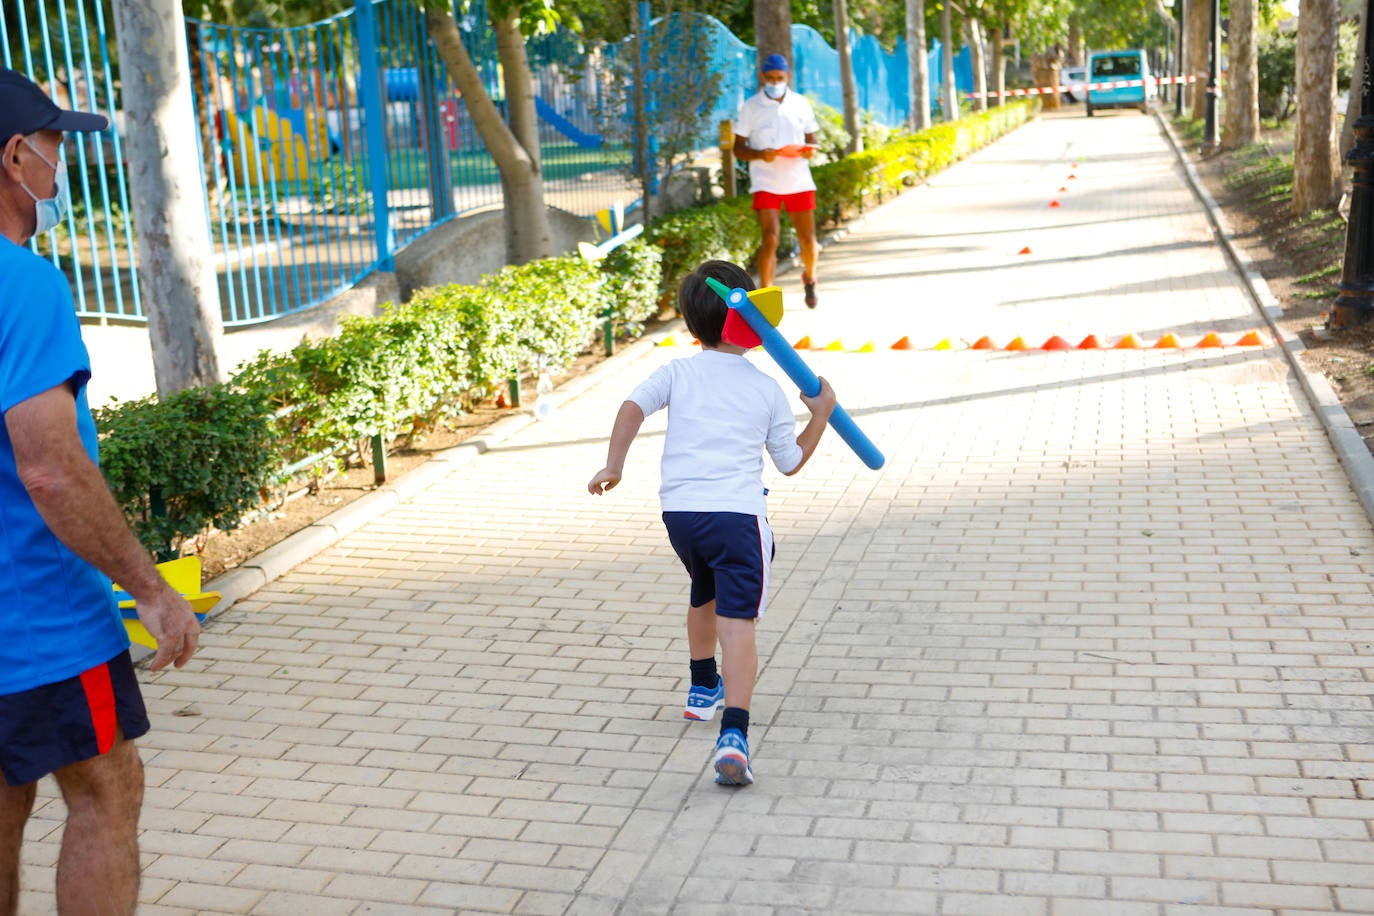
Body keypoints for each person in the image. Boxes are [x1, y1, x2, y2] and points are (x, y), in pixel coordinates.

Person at [0, 68, 201, 914]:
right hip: (38, 623)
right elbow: (48, 467)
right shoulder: (23, 283)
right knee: (106, 790)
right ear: (15, 156)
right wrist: (152, 589)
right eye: (52, 143)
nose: (57, 161)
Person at [587, 260, 836, 785]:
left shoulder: (676, 372)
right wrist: (821, 413)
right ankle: (735, 735)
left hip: (681, 515)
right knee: (737, 621)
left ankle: (703, 685)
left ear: (691, 322)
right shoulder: (767, 388)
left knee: (704, 591)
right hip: (738, 517)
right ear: (752, 320)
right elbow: (790, 463)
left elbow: (632, 406)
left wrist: (615, 465)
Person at [733, 53, 822, 308]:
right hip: (766, 180)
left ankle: (811, 277)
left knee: (807, 239)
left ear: (787, 77)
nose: (774, 82)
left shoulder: (801, 104)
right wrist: (761, 154)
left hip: (798, 180)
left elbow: (812, 139)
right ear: (762, 77)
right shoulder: (751, 107)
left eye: (779, 78)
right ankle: (765, 296)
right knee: (770, 237)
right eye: (770, 78)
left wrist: (809, 149)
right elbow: (738, 148)